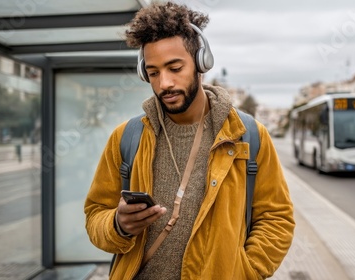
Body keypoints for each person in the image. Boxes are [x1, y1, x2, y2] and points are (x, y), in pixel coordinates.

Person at [84, 2, 295, 279]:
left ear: (201, 63)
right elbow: (95, 215)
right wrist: (118, 225)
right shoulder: (127, 137)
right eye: (154, 72)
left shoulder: (248, 135)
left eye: (174, 68)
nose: (164, 83)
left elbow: (276, 218)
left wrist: (246, 270)